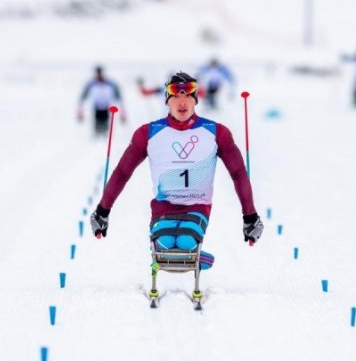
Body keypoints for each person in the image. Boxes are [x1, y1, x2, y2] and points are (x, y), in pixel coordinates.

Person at [89, 71, 264, 270]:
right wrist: (102, 211)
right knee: (164, 247)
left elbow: (238, 173)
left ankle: (197, 256)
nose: (182, 102)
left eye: (188, 95)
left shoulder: (217, 132)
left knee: (186, 244)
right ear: (167, 100)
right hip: (164, 205)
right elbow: (122, 172)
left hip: (197, 205)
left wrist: (250, 216)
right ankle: (186, 254)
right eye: (176, 96)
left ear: (196, 99)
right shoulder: (148, 133)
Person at [77, 65, 125, 135]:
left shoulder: (110, 83)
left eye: (100, 73)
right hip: (96, 106)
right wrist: (80, 111)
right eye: (98, 73)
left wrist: (122, 112)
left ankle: (104, 133)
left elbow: (118, 95)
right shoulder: (91, 83)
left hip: (106, 106)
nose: (99, 75)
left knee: (105, 122)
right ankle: (98, 133)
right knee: (97, 122)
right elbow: (83, 96)